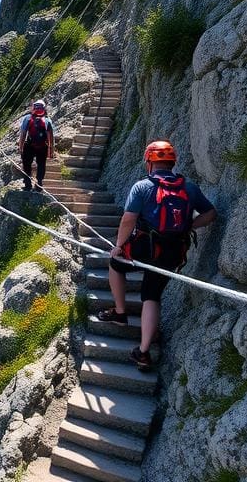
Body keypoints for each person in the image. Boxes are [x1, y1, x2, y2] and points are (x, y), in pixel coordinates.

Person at [97, 140, 216, 370]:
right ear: (172, 163)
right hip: (172, 251)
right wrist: (189, 226)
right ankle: (143, 352)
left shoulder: (142, 187)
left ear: (149, 163)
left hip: (143, 247)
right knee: (151, 296)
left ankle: (120, 313)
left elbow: (128, 219)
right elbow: (211, 213)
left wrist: (119, 246)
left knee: (115, 263)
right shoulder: (189, 187)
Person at [19, 100, 54, 191]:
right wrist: (51, 151)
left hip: (30, 145)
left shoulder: (27, 118)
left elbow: (23, 134)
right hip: (42, 146)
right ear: (44, 108)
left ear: (33, 108)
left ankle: (27, 183)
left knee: (27, 164)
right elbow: (51, 137)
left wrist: (21, 147)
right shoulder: (47, 120)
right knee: (41, 164)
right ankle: (39, 183)